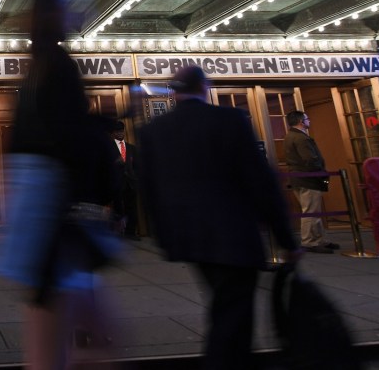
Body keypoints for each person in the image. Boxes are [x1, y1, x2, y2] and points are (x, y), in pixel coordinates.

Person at [140, 66, 302, 370]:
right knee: (234, 316)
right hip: (233, 233)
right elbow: (260, 181)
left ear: (174, 91)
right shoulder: (230, 120)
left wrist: (164, 236)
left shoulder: (154, 130)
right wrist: (285, 237)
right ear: (204, 87)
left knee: (226, 306)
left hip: (189, 237)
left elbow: (148, 189)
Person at [3, 0, 108, 368]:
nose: (76, 9)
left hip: (39, 214)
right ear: (54, 10)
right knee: (87, 333)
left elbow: (24, 144)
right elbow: (71, 140)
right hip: (58, 214)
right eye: (68, 2)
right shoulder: (58, 65)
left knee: (59, 327)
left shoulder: (36, 67)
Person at [285, 110, 340, 254]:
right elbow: (310, 159)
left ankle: (319, 239)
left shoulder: (291, 136)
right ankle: (309, 241)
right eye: (307, 119)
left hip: (300, 178)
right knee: (310, 211)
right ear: (301, 121)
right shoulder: (301, 138)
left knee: (313, 210)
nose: (309, 121)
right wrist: (319, 171)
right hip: (308, 178)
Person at [111, 121, 141, 240]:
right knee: (118, 208)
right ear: (113, 133)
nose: (120, 133)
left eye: (121, 130)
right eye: (117, 131)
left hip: (131, 183)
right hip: (117, 183)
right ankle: (118, 233)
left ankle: (131, 232)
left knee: (132, 208)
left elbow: (138, 166)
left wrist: (135, 178)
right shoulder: (110, 148)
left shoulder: (131, 148)